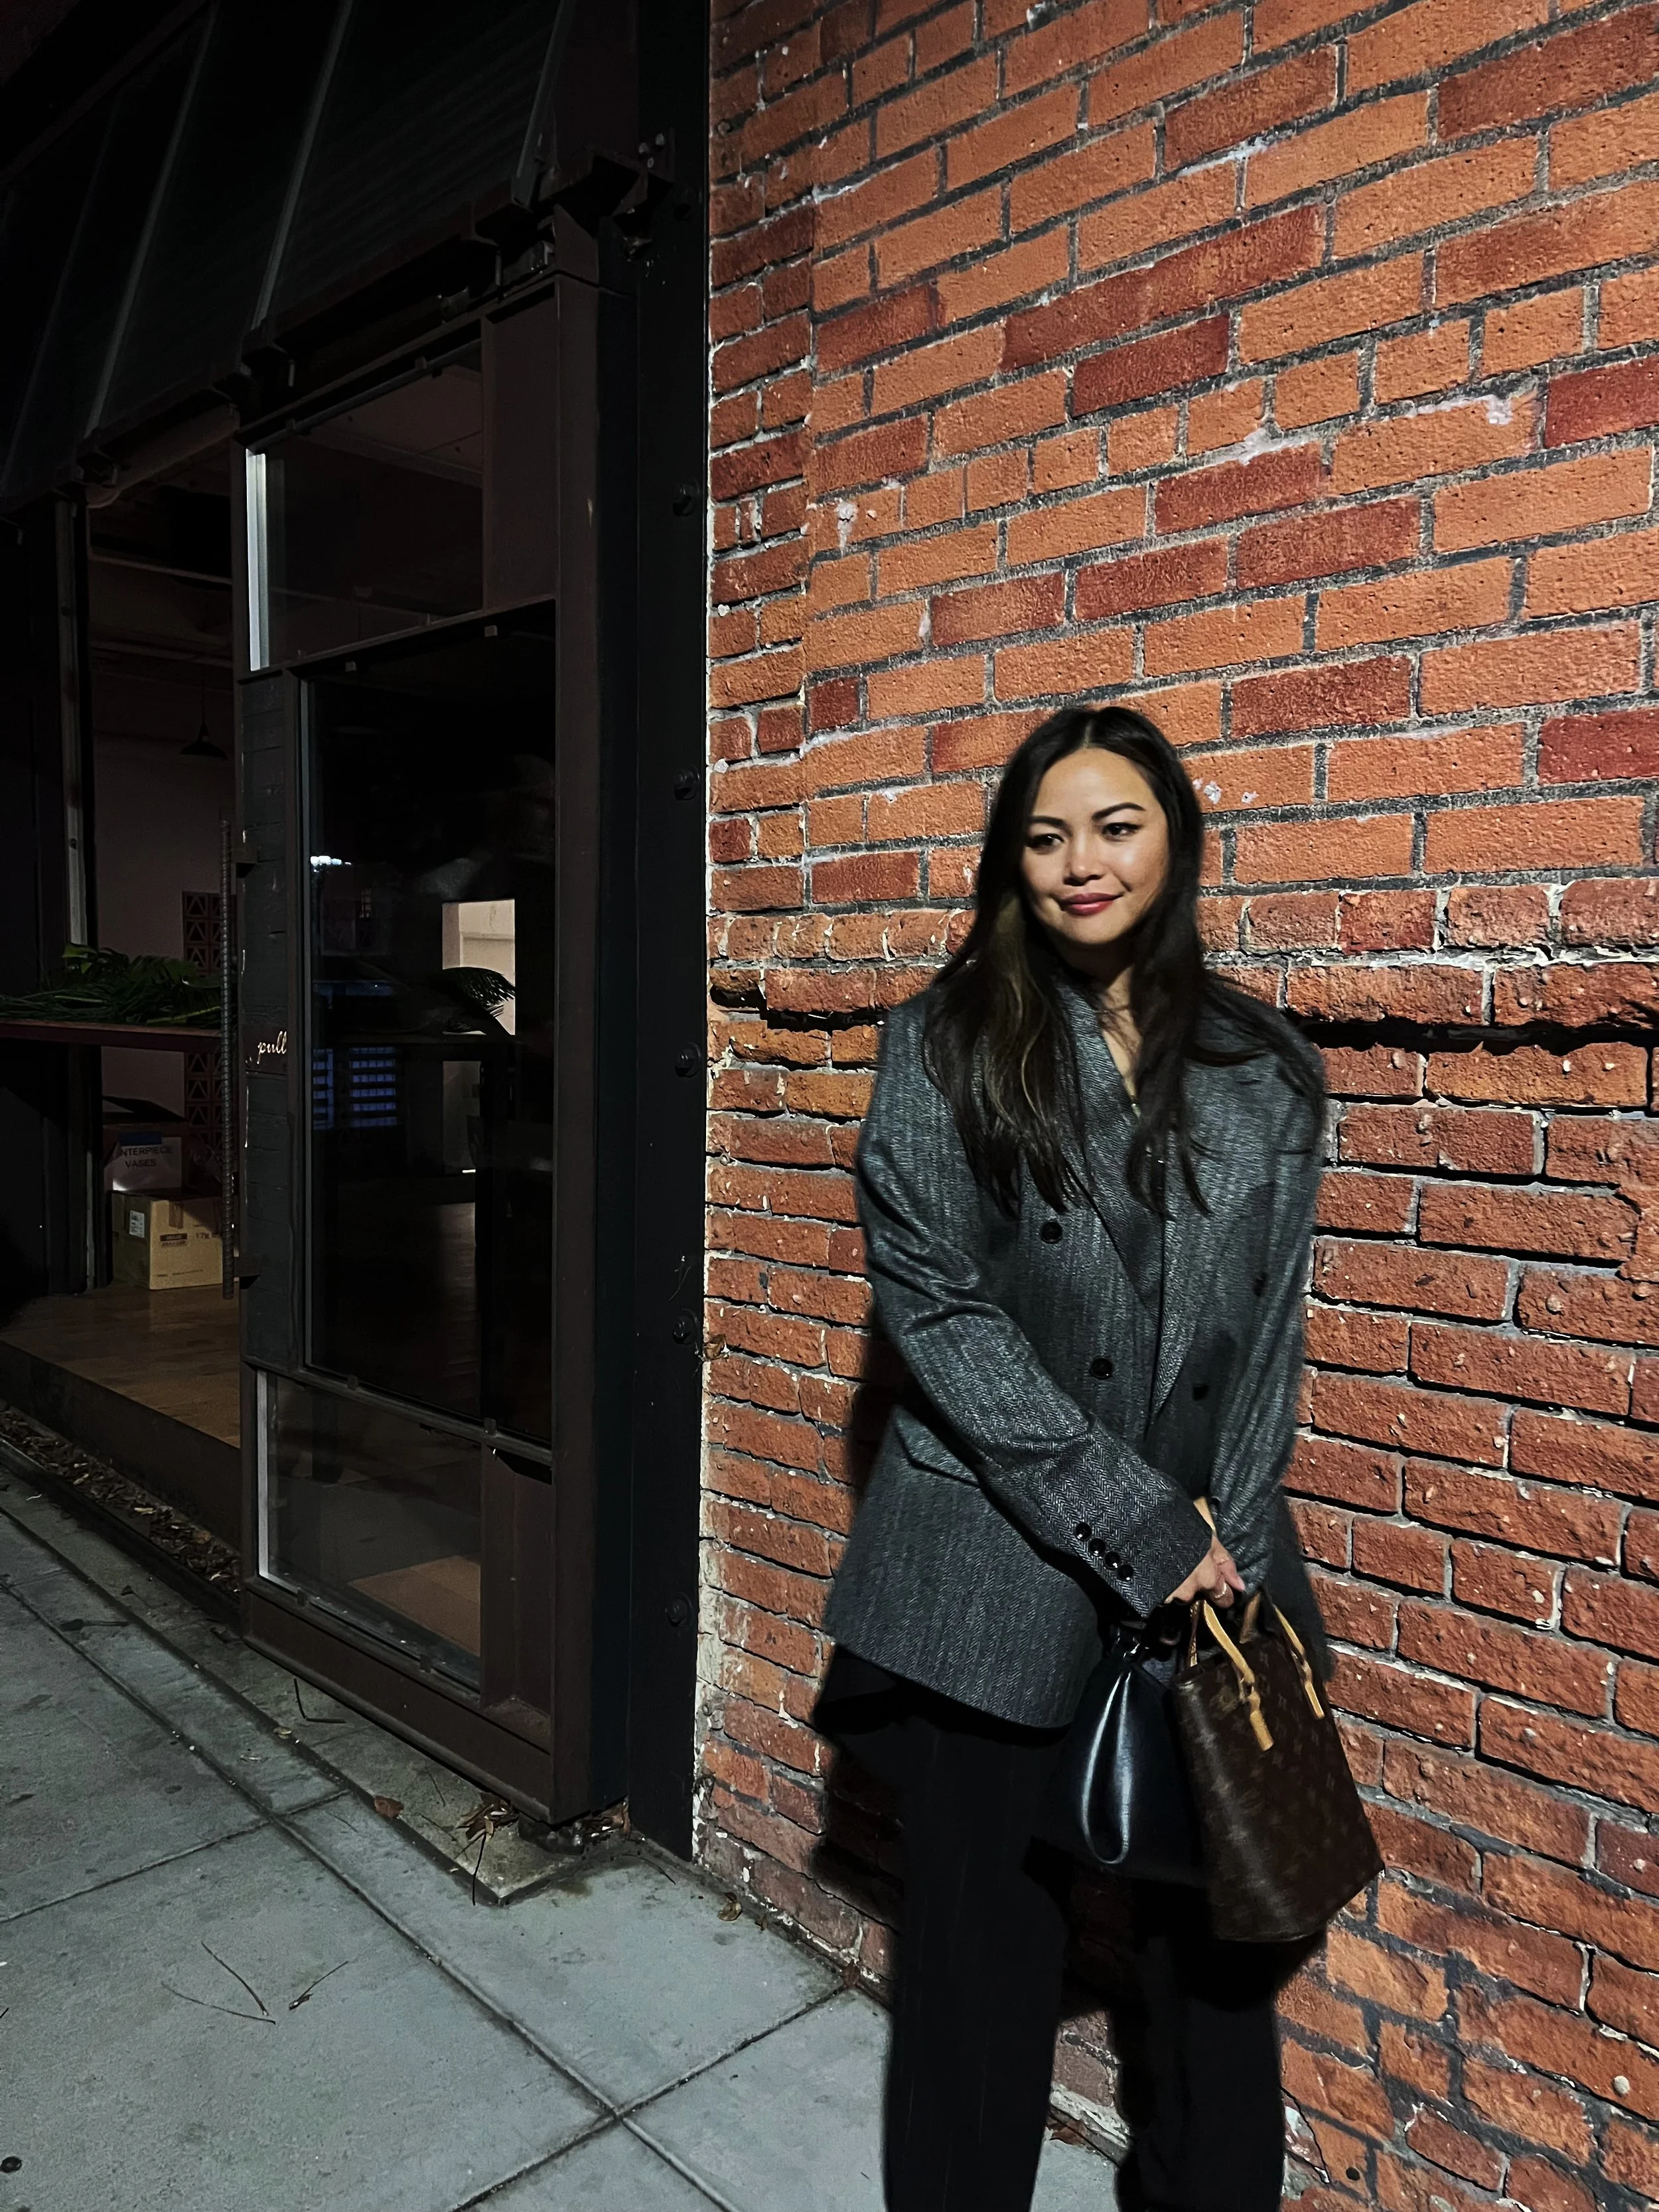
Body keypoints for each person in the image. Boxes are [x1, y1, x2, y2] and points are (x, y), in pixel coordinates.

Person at [816, 704, 1329, 2212]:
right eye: (1043, 835)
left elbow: (1268, 1347)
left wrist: (1218, 1545)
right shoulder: (945, 1040)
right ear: (1011, 860)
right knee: (979, 1972)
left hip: (1214, 1560)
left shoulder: (1269, 1069)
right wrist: (1137, 1526)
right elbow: (941, 1319)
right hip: (993, 1554)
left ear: (1171, 841)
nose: (1077, 862)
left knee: (1217, 1956)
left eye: (1112, 825)